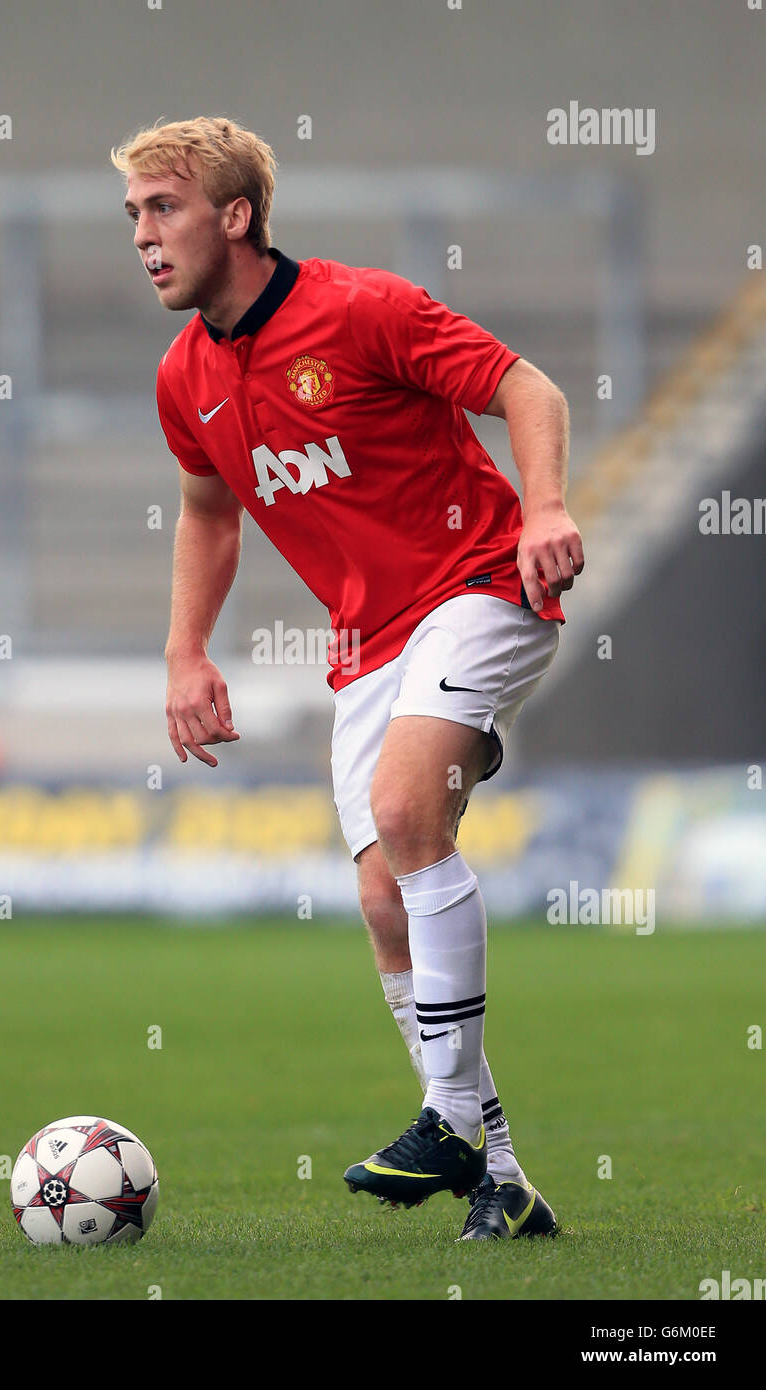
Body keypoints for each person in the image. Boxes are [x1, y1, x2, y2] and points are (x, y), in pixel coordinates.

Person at [112, 115, 584, 1240]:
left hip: (479, 584)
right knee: (384, 899)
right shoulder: (185, 376)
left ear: (234, 216)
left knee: (405, 812)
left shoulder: (361, 308)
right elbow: (208, 510)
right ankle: (501, 1178)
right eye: (130, 214)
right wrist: (185, 651)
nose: (141, 234)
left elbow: (528, 389)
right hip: (369, 644)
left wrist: (549, 505)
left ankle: (446, 1119)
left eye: (162, 207)